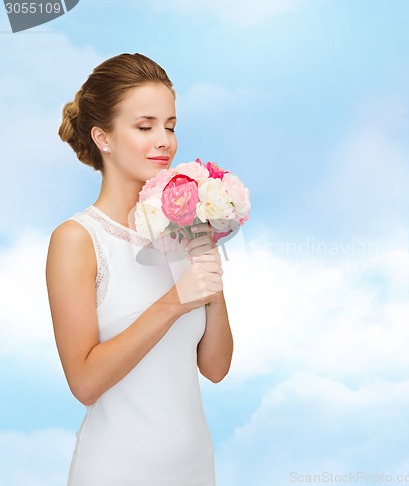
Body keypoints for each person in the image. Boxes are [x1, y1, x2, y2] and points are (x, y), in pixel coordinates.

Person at [46, 53, 233, 486]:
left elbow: (217, 367)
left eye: (170, 125)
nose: (164, 140)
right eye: (145, 126)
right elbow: (85, 383)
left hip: (195, 469)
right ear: (103, 137)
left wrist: (208, 264)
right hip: (115, 472)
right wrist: (173, 302)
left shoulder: (186, 230)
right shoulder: (78, 240)